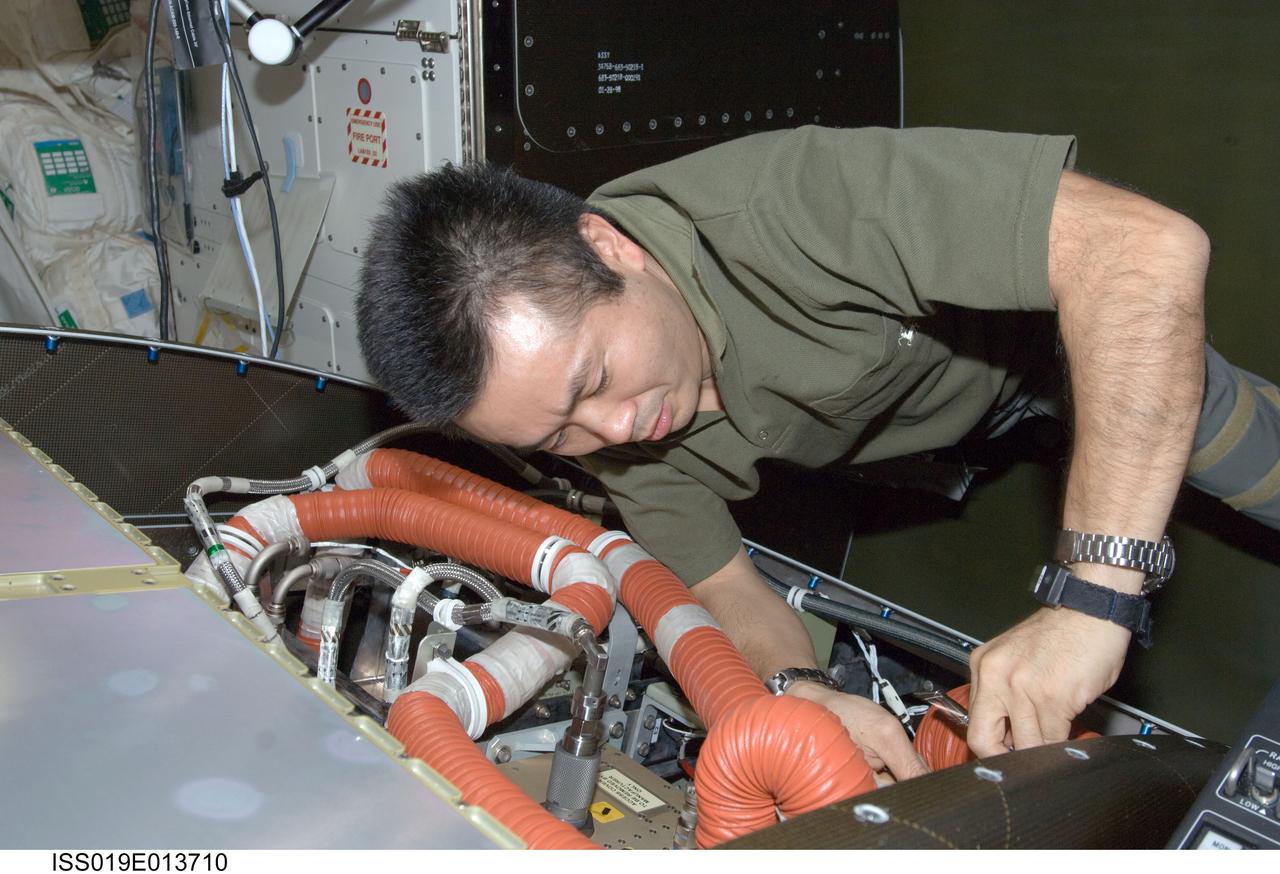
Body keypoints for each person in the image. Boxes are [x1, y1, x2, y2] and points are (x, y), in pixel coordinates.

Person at [355, 126, 1280, 782]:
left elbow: (1141, 252)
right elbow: (720, 585)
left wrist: (1093, 595)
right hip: (944, 432)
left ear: (610, 246)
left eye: (593, 381)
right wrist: (798, 688)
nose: (608, 433)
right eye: (555, 438)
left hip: (1080, 345)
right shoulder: (596, 426)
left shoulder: (789, 206)